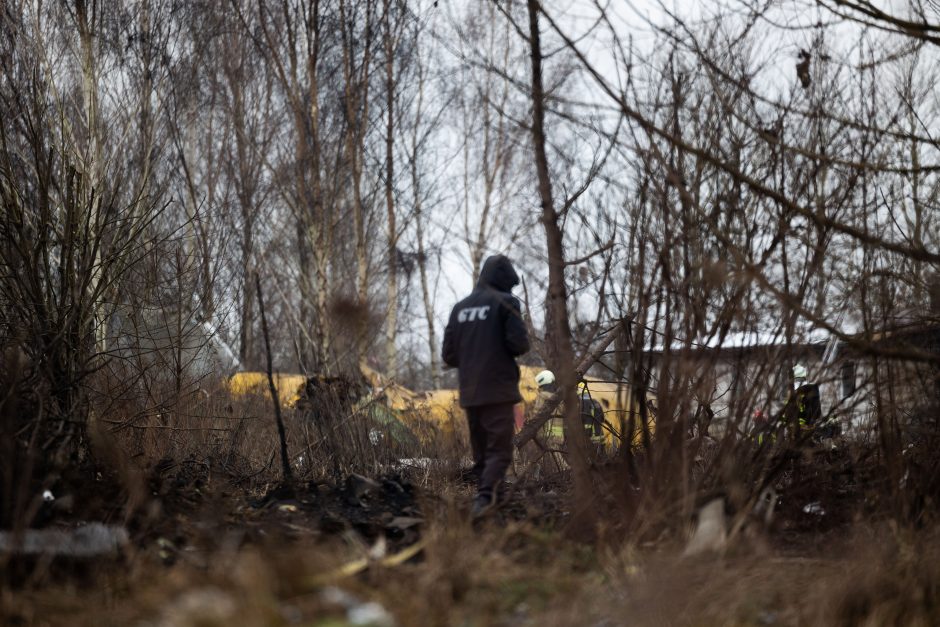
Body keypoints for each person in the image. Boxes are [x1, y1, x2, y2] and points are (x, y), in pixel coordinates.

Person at [442, 255, 530, 518]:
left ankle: (495, 505)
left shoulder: (460, 308)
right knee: (499, 452)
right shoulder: (506, 302)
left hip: (470, 392)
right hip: (499, 391)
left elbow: (449, 356)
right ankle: (482, 503)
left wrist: (472, 356)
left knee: (482, 455)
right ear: (504, 280)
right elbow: (519, 345)